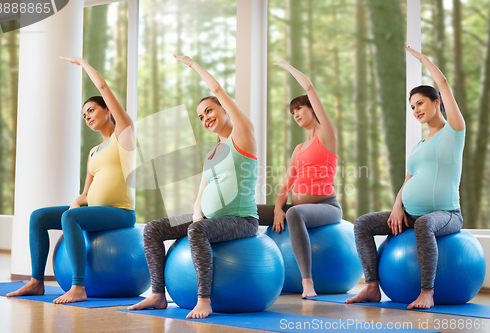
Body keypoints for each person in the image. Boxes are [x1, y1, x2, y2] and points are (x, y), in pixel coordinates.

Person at [128, 54, 259, 319]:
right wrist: (197, 211)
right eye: (200, 117)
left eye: (209, 111)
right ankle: (157, 295)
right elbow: (202, 189)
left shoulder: (242, 135)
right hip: (208, 218)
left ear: (223, 108)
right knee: (154, 228)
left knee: (197, 231)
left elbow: (218, 89)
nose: (205, 118)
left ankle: (204, 300)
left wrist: (194, 65)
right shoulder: (213, 152)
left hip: (241, 220)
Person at [6, 57, 136, 304]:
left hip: (120, 212)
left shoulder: (124, 137)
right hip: (95, 210)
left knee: (70, 217)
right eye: (84, 114)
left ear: (107, 110)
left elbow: (104, 89)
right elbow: (86, 194)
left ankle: (78, 287)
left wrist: (85, 65)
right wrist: (76, 203)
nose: (87, 116)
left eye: (92, 110)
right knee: (39, 216)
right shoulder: (93, 152)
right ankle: (36, 281)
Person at [345, 46, 465, 309]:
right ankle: (372, 287)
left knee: (424, 225)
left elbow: (443, 84)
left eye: (420, 103)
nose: (416, 110)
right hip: (409, 215)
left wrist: (424, 60)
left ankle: (427, 292)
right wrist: (398, 206)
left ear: (436, 102)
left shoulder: (454, 133)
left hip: (445, 214)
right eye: (412, 107)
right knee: (363, 224)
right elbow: (408, 180)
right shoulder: (419, 144)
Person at [257, 61, 342, 298]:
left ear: (312, 109)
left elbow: (310, 88)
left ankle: (307, 282)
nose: (295, 115)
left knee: (294, 213)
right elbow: (286, 184)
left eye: (299, 109)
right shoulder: (299, 148)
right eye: (292, 112)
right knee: (250, 211)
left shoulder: (326, 136)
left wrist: (287, 67)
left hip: (326, 206)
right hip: (299, 207)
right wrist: (276, 209)